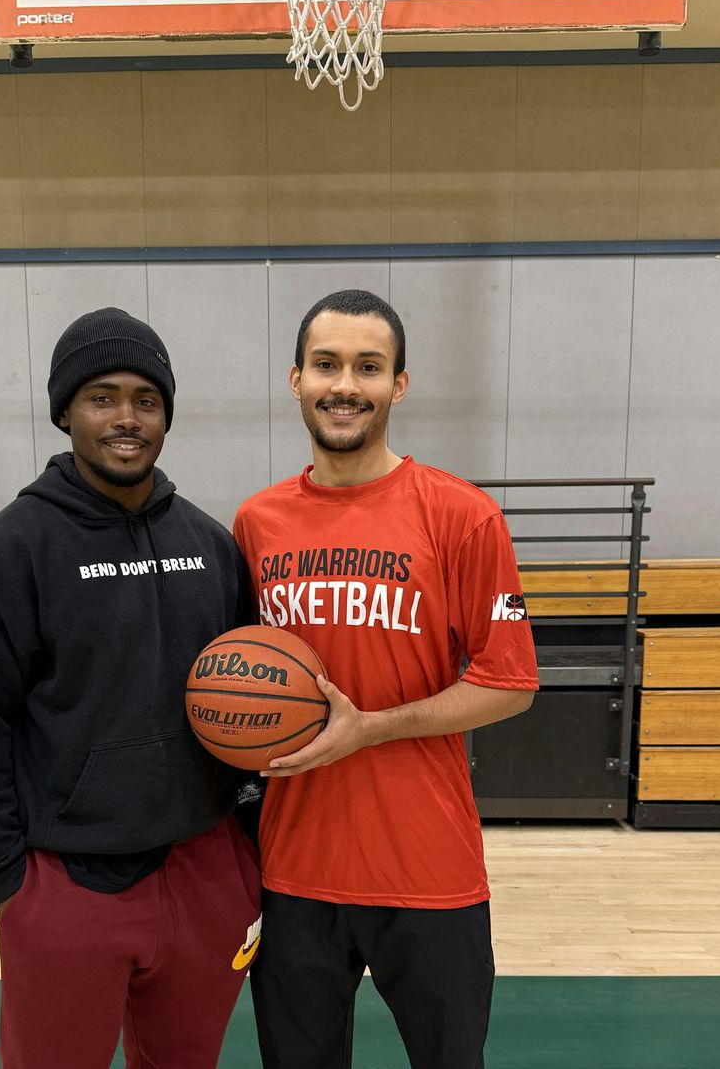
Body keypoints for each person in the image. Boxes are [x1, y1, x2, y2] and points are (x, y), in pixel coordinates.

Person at [0, 307, 261, 1069]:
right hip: (65, 883)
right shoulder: (5, 553)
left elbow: (247, 711)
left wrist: (244, 848)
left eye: (146, 400)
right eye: (102, 398)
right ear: (65, 412)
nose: (127, 418)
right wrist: (8, 880)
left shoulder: (210, 546)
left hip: (205, 871)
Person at [232, 289, 539, 1069]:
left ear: (399, 384)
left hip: (428, 869)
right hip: (294, 872)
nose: (345, 385)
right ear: (295, 379)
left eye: (368, 367)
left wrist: (372, 728)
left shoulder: (464, 516)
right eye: (326, 365)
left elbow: (511, 681)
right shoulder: (256, 523)